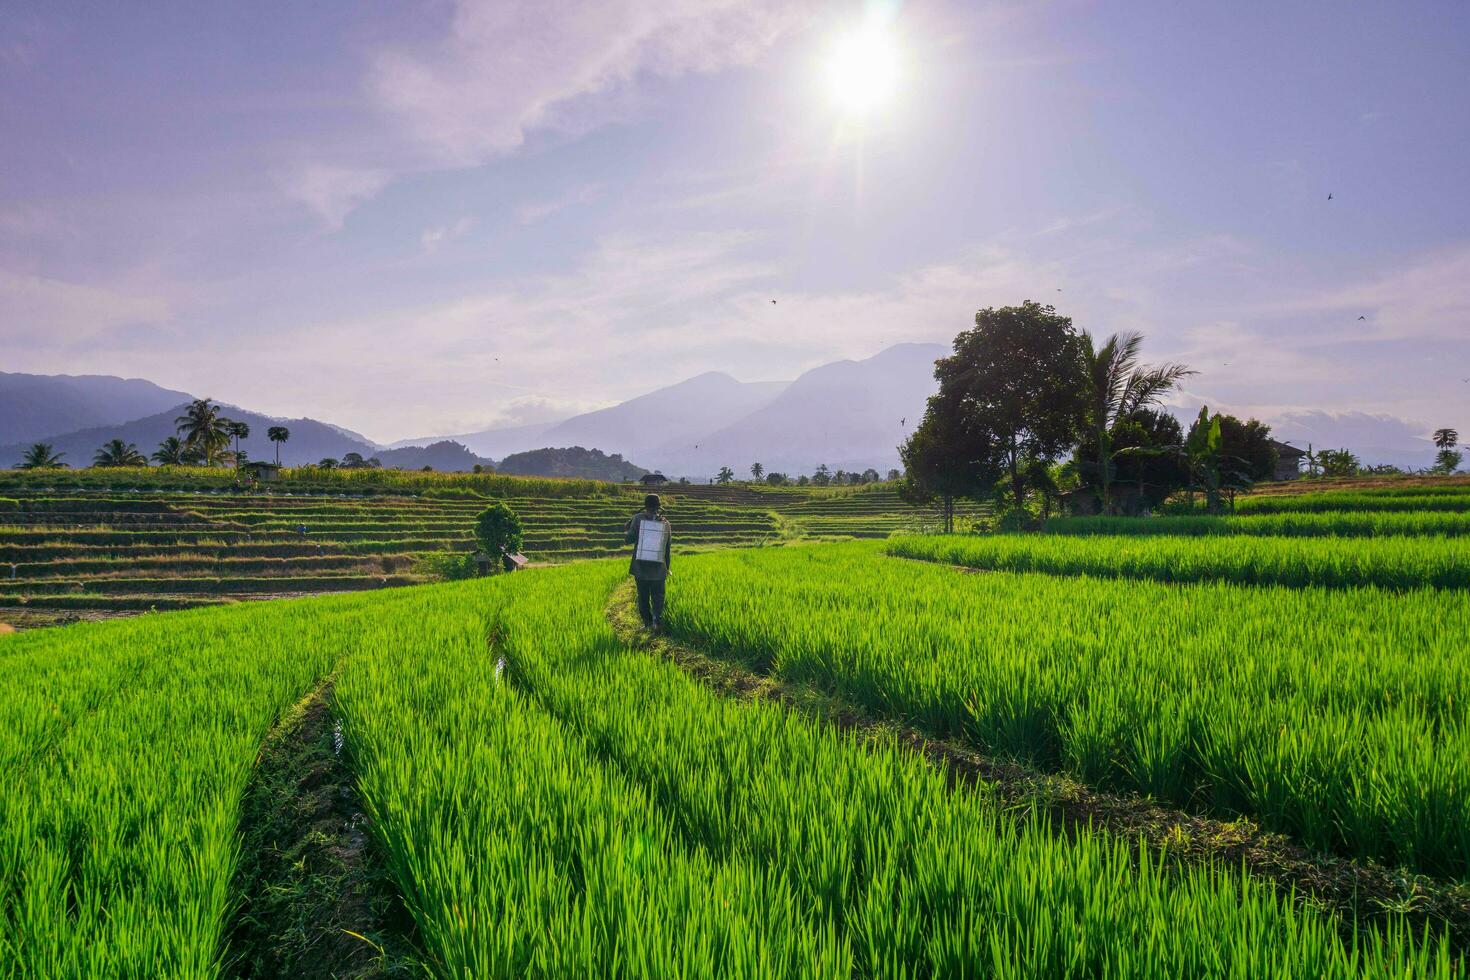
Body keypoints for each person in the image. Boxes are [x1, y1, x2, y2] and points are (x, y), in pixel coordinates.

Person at [624, 493, 672, 631]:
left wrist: (626, 531)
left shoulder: (638, 519)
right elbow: (667, 549)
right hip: (659, 569)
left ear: (646, 506)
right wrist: (667, 568)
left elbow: (629, 539)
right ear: (658, 507)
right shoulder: (666, 523)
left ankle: (647, 624)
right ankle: (657, 622)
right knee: (658, 597)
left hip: (641, 568)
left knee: (643, 597)